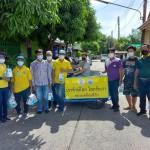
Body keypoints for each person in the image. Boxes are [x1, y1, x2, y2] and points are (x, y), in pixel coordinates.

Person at [30, 49, 51, 114]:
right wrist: (33, 84)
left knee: (45, 96)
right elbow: (32, 75)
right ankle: (39, 109)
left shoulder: (46, 63)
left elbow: (49, 73)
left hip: (46, 83)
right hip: (37, 83)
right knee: (39, 97)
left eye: (41, 54)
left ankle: (46, 108)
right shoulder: (32, 64)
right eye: (38, 54)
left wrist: (50, 82)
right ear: (36, 55)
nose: (40, 55)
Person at [121, 46, 139, 112]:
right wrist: (121, 79)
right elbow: (123, 70)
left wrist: (135, 81)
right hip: (126, 80)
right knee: (127, 93)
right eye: (128, 51)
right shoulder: (125, 60)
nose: (130, 52)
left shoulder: (138, 60)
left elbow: (138, 70)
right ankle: (129, 105)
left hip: (135, 80)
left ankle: (134, 106)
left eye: (131, 51)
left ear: (134, 51)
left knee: (134, 94)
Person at [134, 44, 150, 116]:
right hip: (141, 81)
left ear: (149, 49)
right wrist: (135, 82)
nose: (144, 50)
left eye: (145, 48)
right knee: (142, 97)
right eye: (142, 49)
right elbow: (137, 71)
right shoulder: (139, 60)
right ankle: (142, 110)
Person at [0, 51, 10, 123]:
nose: (2, 58)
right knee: (0, 102)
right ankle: (0, 117)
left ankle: (5, 115)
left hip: (6, 86)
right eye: (0, 57)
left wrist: (8, 78)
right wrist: (3, 78)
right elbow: (2, 77)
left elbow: (7, 74)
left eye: (3, 57)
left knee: (5, 102)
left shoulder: (5, 65)